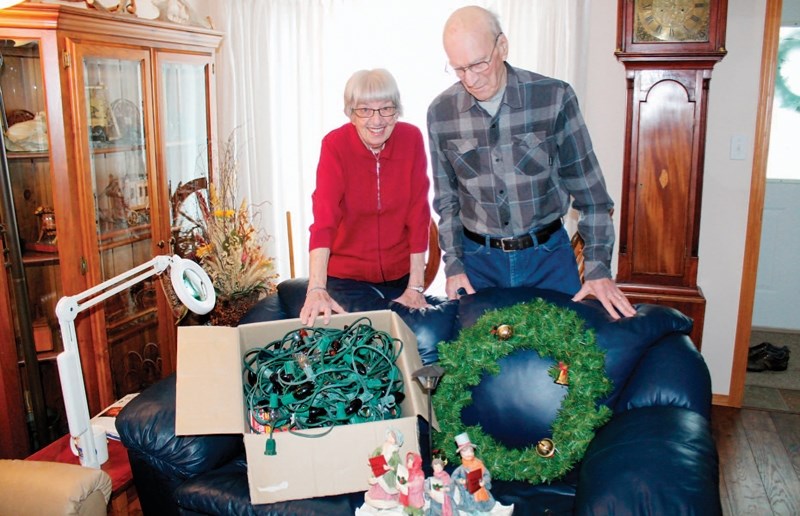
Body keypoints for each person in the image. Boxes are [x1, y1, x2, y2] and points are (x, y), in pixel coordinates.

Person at [427, 6, 636, 320]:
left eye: (478, 64)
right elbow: (447, 202)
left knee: (566, 362)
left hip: (547, 259)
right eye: (459, 69)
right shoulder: (441, 113)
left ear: (502, 47)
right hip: (478, 265)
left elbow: (592, 198)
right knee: (480, 365)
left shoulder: (554, 98)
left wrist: (597, 269)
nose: (470, 79)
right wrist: (454, 266)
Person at [301, 68, 432, 326]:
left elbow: (419, 214)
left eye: (386, 108)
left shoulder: (411, 139)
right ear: (350, 113)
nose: (377, 120)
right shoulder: (335, 145)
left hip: (400, 276)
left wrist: (416, 287)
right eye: (364, 110)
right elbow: (324, 220)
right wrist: (316, 288)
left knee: (410, 334)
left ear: (397, 110)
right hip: (346, 280)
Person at [450, 432, 495, 513]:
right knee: (472, 511)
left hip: (481, 491)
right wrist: (460, 481)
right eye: (465, 451)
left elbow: (487, 474)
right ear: (460, 454)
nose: (469, 454)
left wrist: (484, 481)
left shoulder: (479, 464)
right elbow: (453, 478)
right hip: (468, 496)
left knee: (484, 510)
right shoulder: (460, 469)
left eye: (471, 451)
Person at [364, 427, 404, 509]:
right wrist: (371, 459)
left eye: (392, 437)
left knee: (386, 486)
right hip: (379, 470)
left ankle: (387, 500)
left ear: (396, 440)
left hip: (388, 474)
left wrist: (390, 468)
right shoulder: (382, 447)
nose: (390, 438)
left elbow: (398, 465)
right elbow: (376, 453)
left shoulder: (394, 452)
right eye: (389, 436)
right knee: (378, 484)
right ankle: (377, 499)